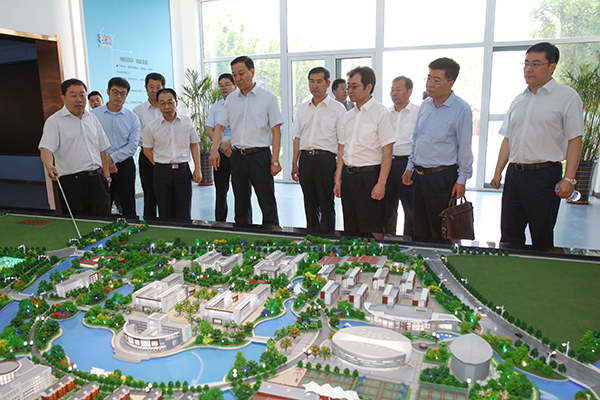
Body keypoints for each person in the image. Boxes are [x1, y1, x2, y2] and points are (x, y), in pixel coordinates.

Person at [491, 42, 583, 250]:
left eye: (536, 64)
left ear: (552, 67)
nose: (529, 69)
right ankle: (511, 268)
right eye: (526, 64)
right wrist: (498, 171)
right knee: (509, 234)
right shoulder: (519, 99)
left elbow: (575, 139)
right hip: (515, 175)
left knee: (541, 235)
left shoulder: (567, 97)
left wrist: (569, 178)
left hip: (544, 175)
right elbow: (508, 138)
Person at [402, 57, 473, 238]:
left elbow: (465, 148)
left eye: (436, 80)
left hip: (442, 178)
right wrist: (410, 167)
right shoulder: (425, 105)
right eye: (428, 79)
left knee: (439, 229)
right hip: (419, 177)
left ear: (450, 83)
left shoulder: (461, 109)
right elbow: (417, 139)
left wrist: (462, 179)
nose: (430, 84)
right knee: (419, 227)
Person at [209, 56, 284, 226]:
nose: (238, 78)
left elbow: (276, 131)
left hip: (260, 156)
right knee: (241, 204)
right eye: (234, 75)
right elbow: (220, 127)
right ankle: (243, 237)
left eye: (241, 73)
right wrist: (214, 151)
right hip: (237, 157)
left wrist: (275, 160)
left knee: (267, 202)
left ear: (252, 72)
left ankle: (272, 237)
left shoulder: (268, 98)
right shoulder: (231, 99)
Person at [334, 66, 395, 234]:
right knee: (350, 227)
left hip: (370, 177)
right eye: (348, 87)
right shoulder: (347, 116)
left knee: (372, 228)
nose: (350, 91)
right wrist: (338, 179)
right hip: (348, 177)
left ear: (368, 87)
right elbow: (342, 148)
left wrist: (381, 184)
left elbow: (387, 152)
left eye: (354, 86)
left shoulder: (381, 113)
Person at [39, 78, 111, 216]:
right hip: (73, 183)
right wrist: (49, 166)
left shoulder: (92, 119)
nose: (79, 99)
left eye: (82, 95)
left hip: (97, 180)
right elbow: (46, 148)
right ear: (63, 98)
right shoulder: (54, 121)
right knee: (79, 221)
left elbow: (102, 149)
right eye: (73, 95)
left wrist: (106, 177)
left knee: (103, 221)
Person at [291, 67, 346, 230]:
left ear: (328, 84)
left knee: (326, 203)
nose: (315, 85)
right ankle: (311, 237)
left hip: (326, 161)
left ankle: (327, 239)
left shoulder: (338, 109)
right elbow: (297, 137)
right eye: (311, 81)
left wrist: (339, 171)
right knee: (309, 203)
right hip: (306, 160)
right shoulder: (303, 108)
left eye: (319, 81)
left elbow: (342, 143)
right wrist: (294, 163)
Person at [143, 88, 201, 221]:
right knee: (165, 211)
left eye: (170, 102)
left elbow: (194, 144)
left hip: (182, 171)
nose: (167, 107)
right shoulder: (151, 127)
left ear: (176, 102)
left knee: (184, 211)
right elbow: (147, 150)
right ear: (157, 105)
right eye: (162, 103)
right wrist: (160, 163)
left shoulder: (186, 122)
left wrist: (197, 168)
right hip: (161, 173)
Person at [91, 77, 140, 219]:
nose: (119, 96)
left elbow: (132, 146)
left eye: (123, 93)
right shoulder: (93, 116)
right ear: (108, 92)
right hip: (100, 165)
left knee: (128, 204)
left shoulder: (132, 118)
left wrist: (111, 159)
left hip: (124, 165)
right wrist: (105, 161)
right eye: (115, 92)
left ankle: (132, 227)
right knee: (102, 204)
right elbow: (90, 141)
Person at [385, 76, 419, 236]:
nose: (394, 93)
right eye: (392, 90)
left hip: (407, 165)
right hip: (387, 163)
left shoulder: (418, 112)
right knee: (387, 208)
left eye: (398, 89)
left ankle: (408, 241)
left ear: (409, 91)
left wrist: (411, 167)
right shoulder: (386, 113)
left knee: (410, 208)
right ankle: (387, 241)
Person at [133, 72, 166, 219]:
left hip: (166, 156)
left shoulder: (168, 108)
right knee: (149, 194)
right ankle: (150, 223)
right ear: (146, 87)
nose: (154, 90)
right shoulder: (138, 111)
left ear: (163, 88)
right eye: (151, 87)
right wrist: (154, 142)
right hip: (147, 156)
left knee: (166, 193)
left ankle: (167, 222)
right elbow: (138, 136)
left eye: (158, 87)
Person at [206, 73, 237, 221]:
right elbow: (209, 130)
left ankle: (243, 223)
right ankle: (219, 222)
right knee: (220, 190)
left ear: (235, 86)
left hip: (236, 152)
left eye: (227, 84)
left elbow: (243, 129)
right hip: (219, 154)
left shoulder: (241, 105)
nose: (223, 88)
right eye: (221, 85)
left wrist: (228, 144)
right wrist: (220, 146)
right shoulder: (215, 107)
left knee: (241, 191)